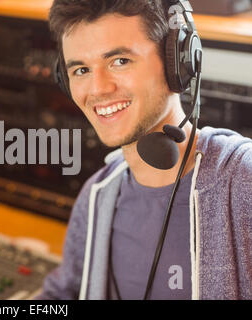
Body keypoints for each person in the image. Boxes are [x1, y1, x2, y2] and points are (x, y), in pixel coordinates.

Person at [36, 0, 252, 300]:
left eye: (120, 61)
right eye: (82, 69)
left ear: (178, 62)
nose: (97, 89)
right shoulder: (97, 197)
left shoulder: (243, 182)